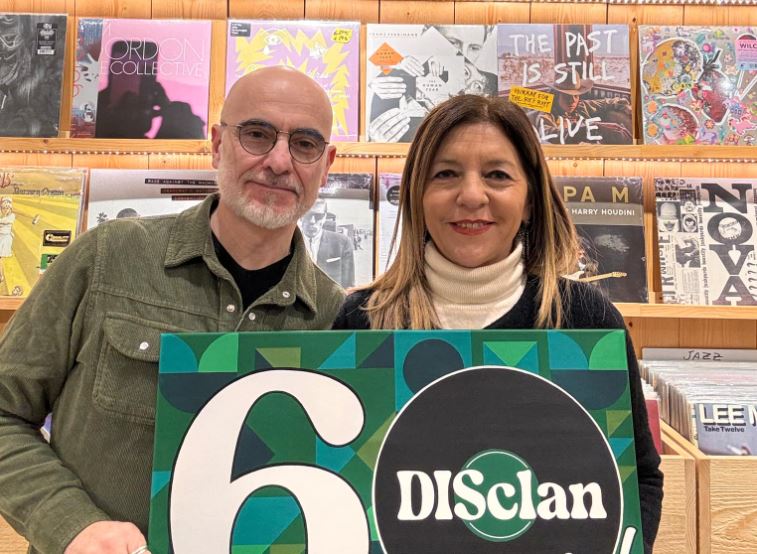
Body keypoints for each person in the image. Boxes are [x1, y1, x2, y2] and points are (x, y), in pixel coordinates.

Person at [0, 66, 344, 554]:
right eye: (257, 135)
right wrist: (72, 525)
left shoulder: (338, 319)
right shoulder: (107, 258)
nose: (279, 161)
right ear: (217, 144)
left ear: (326, 166)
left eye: (305, 144)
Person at [333, 94, 663, 553]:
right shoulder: (363, 323)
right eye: (445, 174)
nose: (471, 195)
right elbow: (340, 490)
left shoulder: (584, 320)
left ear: (529, 200)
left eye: (497, 175)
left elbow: (636, 479)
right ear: (416, 196)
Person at [532, 77, 633, 144]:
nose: (572, 101)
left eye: (576, 96)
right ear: (557, 96)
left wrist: (626, 108)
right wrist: (590, 127)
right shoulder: (546, 114)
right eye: (567, 96)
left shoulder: (582, 106)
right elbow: (549, 134)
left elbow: (611, 102)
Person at [301, 198, 355, 288]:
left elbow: (349, 286)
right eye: (307, 214)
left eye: (318, 216)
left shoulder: (342, 244)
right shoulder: (288, 243)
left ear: (325, 217)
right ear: (300, 215)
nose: (312, 221)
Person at [0, 195, 15, 284]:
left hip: (5, 238)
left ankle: (1, 276)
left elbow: (7, 221)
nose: (5, 210)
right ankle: (1, 275)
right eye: (3, 208)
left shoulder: (12, 216)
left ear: (10, 208)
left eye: (7, 208)